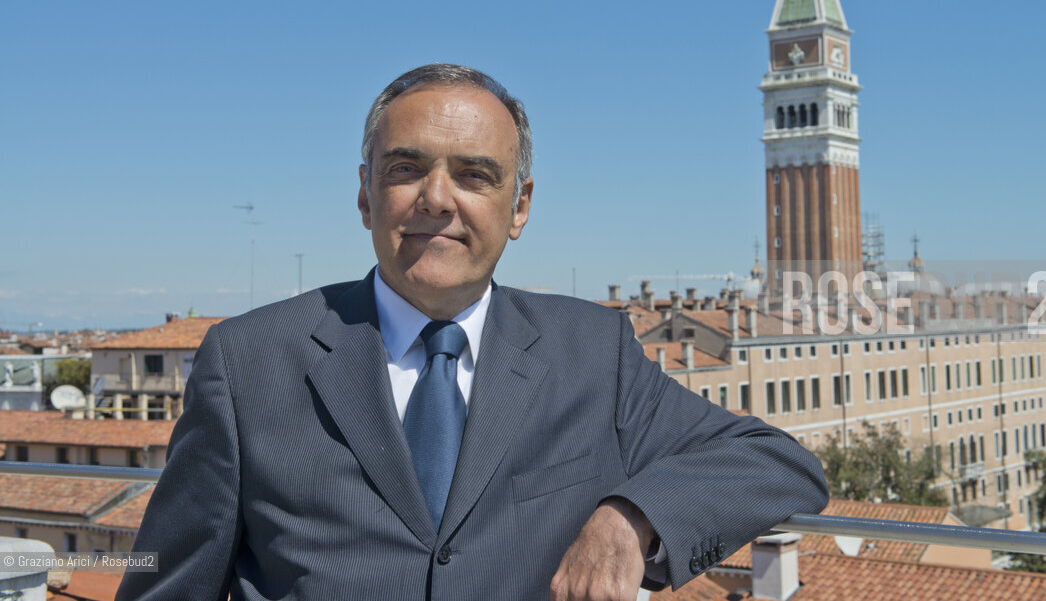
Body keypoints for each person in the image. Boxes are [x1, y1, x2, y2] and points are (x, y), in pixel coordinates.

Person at [117, 64, 828, 601]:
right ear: (365, 194)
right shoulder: (247, 363)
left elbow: (778, 462)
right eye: (406, 168)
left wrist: (631, 516)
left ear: (518, 208)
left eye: (474, 175)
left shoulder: (592, 352)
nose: (436, 198)